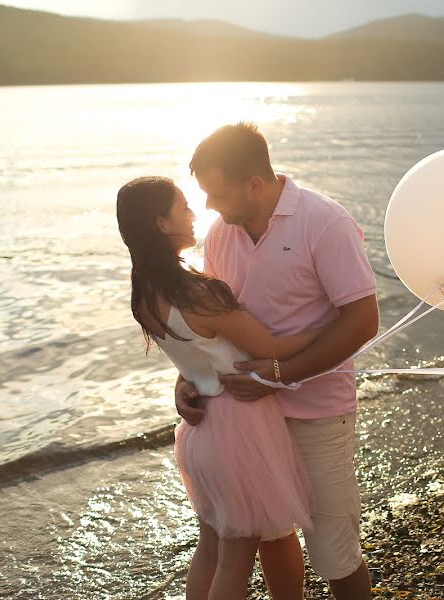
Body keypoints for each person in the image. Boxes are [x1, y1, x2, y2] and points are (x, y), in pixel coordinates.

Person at [175, 122, 379, 600]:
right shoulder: (221, 234)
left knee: (333, 552)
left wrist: (283, 376)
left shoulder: (324, 222)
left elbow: (362, 320)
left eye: (217, 193)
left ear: (255, 184)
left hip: (318, 412)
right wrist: (190, 377)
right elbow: (214, 324)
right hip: (248, 416)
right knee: (269, 534)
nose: (208, 205)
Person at [116, 176, 319, 600]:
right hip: (239, 428)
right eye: (183, 208)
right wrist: (332, 323)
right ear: (161, 223)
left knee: (212, 549)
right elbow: (273, 347)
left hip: (202, 430)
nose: (194, 214)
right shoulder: (197, 291)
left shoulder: (145, 292)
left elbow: (195, 355)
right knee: (236, 557)